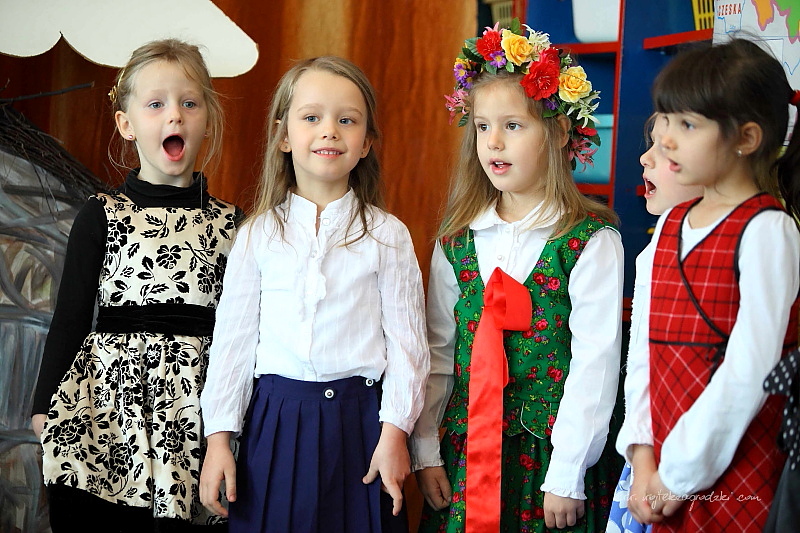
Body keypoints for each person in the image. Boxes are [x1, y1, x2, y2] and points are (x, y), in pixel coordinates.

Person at [198, 56, 429, 533]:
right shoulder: (258, 235)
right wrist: (219, 439)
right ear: (283, 136)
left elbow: (409, 346)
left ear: (366, 143)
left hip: (362, 426)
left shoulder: (388, 236)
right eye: (311, 117)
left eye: (347, 120)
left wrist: (395, 433)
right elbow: (233, 346)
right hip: (274, 423)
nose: (329, 131)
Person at [410, 20, 625, 533]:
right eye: (483, 127)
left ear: (558, 132)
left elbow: (596, 365)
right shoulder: (457, 240)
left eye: (513, 125)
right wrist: (426, 449)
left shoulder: (588, 240)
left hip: (549, 460)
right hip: (466, 456)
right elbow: (438, 352)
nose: (494, 143)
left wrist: (568, 472)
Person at [30, 39, 241, 532]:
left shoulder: (233, 225)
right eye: (156, 104)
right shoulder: (102, 215)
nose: (175, 115)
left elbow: (242, 335)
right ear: (127, 124)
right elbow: (70, 318)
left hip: (193, 414)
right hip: (107, 411)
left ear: (208, 120)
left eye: (189, 103)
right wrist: (43, 408)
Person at [617, 38, 800, 532]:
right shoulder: (669, 226)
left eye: (688, 125)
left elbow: (748, 373)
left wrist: (676, 475)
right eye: (667, 121)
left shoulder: (768, 231)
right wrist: (642, 456)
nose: (667, 140)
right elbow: (644, 355)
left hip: (735, 477)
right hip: (659, 472)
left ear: (746, 138)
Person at [606, 113, 702, 533]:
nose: (644, 158)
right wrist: (641, 458)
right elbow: (642, 365)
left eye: (663, 148)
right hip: (650, 453)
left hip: (696, 457)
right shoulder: (656, 248)